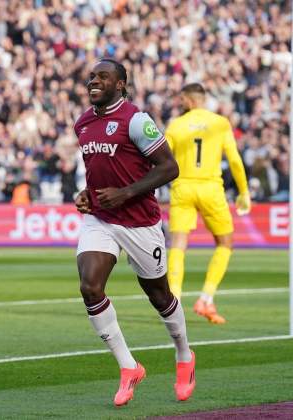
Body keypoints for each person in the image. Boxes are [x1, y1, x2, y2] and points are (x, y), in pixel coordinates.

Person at [74, 59, 195, 406]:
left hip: (140, 222)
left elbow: (170, 167)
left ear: (121, 85)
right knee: (89, 286)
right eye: (92, 76)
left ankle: (184, 354)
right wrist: (87, 195)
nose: (93, 80)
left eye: (103, 77)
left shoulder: (136, 121)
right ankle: (129, 367)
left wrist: (126, 193)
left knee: (159, 296)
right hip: (101, 219)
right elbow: (99, 172)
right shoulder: (82, 123)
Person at [165, 83, 251, 324]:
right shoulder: (220, 123)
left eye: (182, 99)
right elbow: (234, 160)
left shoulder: (177, 125)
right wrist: (244, 191)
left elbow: (160, 158)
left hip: (182, 188)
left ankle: (174, 303)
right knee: (225, 243)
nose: (180, 103)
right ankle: (206, 298)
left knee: (178, 244)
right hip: (211, 188)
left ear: (189, 100)